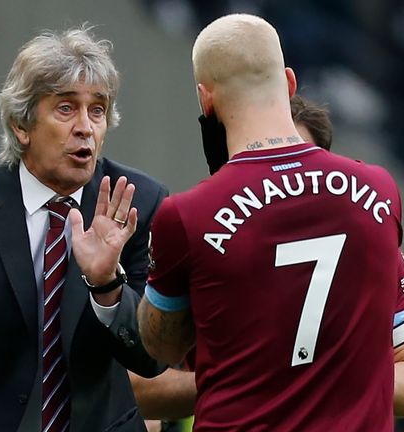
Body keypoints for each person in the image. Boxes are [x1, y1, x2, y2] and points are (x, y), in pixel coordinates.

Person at [137, 13, 404, 431]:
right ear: (290, 83)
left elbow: (162, 345)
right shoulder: (378, 192)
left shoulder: (188, 216)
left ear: (206, 100)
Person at [0, 25, 167, 431]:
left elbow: (152, 359)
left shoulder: (139, 201)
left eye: (96, 110)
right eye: (66, 108)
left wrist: (108, 288)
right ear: (21, 126)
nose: (85, 127)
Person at [129, 94, 335, 428]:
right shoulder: (198, 238)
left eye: (297, 161)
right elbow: (140, 389)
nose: (283, 178)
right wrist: (253, 379)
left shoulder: (361, 248)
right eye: (267, 159)